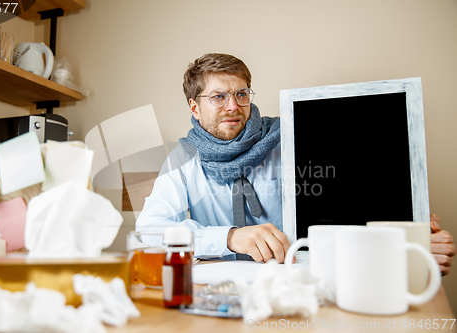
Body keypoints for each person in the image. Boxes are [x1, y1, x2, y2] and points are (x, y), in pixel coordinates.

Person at [136, 53, 456, 275]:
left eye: (241, 94)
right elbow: (149, 231)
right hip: (223, 292)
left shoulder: (290, 137)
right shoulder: (183, 160)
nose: (233, 106)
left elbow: (353, 203)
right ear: (194, 106)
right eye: (218, 97)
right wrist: (230, 237)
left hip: (303, 280)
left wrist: (410, 237)